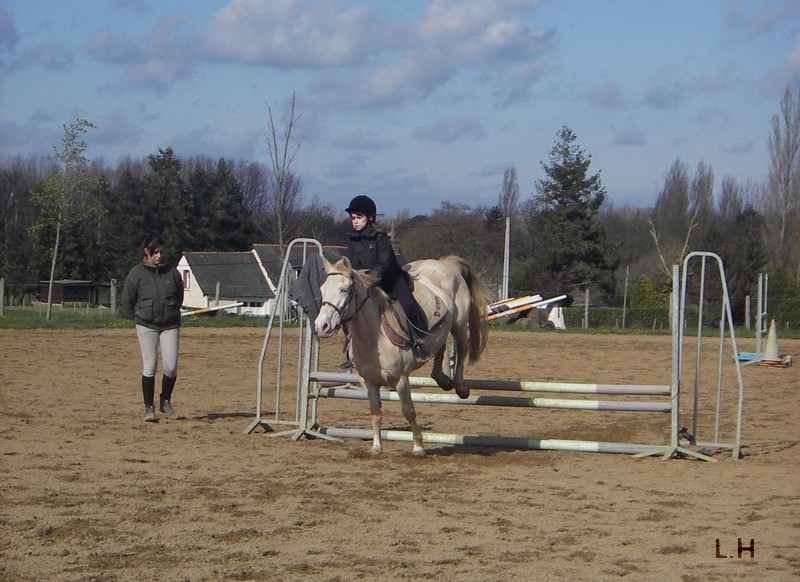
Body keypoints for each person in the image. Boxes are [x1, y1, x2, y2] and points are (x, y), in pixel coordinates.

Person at [343, 195, 430, 361]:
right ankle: (350, 347)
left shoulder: (381, 237)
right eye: (353, 218)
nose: (355, 221)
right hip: (366, 283)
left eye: (358, 217)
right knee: (348, 308)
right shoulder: (352, 239)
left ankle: (419, 341)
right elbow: (354, 264)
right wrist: (362, 280)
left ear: (370, 217)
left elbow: (385, 263)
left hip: (391, 279)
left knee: (409, 305)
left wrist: (369, 278)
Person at [121, 235, 185, 422]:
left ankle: (166, 401)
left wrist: (172, 310)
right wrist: (140, 314)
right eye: (155, 252)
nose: (159, 256)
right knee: (150, 366)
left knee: (171, 367)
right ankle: (149, 408)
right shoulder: (136, 273)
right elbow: (128, 299)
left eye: (161, 252)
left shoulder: (172, 273)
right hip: (146, 324)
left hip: (170, 324)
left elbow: (179, 296)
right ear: (146, 252)